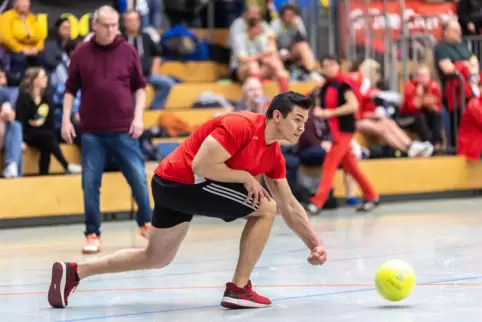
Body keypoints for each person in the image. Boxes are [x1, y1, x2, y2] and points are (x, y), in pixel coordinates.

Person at [47, 91, 327, 310]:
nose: (302, 128)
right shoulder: (240, 125)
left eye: (305, 122)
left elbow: (290, 204)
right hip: (183, 182)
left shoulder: (273, 155)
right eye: (298, 120)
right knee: (266, 208)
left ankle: (75, 272)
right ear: (277, 116)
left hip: (171, 185)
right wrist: (245, 176)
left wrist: (314, 243)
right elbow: (202, 166)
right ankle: (239, 289)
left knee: (155, 257)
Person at [61, 6, 152, 253]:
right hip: (91, 131)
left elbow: (140, 88)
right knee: (90, 184)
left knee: (139, 179)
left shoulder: (128, 50)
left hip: (124, 128)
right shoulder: (81, 53)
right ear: (95, 25)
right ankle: (92, 234)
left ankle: (146, 223)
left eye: (114, 25)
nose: (111, 29)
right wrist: (66, 120)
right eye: (106, 25)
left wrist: (138, 117)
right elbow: (70, 89)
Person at [307, 55, 379, 214]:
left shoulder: (344, 85)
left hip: (344, 131)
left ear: (339, 66)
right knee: (351, 167)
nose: (329, 68)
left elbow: (353, 106)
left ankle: (317, 202)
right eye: (326, 65)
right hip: (334, 132)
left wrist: (328, 113)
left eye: (332, 64)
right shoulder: (325, 86)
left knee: (330, 164)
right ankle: (372, 195)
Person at [15, 67, 81, 175]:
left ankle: (44, 173)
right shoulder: (24, 98)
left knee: (47, 140)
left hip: (45, 135)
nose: (46, 79)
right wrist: (21, 140)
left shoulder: (47, 97)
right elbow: (20, 120)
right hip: (29, 135)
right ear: (35, 81)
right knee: (47, 137)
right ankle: (66, 165)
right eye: (43, 77)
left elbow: (51, 122)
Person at [122, 9, 175, 110]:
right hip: (128, 78)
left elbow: (157, 53)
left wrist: (155, 70)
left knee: (167, 83)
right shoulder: (121, 40)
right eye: (130, 20)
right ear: (125, 23)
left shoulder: (146, 37)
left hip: (147, 76)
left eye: (135, 20)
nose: (133, 23)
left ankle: (155, 109)